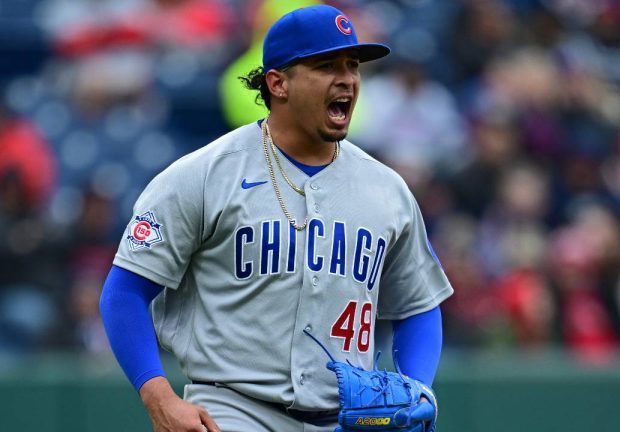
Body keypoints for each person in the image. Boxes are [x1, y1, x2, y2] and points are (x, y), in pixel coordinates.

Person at [99, 5, 453, 432]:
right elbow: (123, 293)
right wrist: (158, 397)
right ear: (278, 83)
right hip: (231, 410)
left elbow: (418, 304)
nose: (347, 79)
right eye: (326, 66)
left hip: (345, 420)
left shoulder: (387, 190)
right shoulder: (203, 175)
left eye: (353, 66)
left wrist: (417, 387)